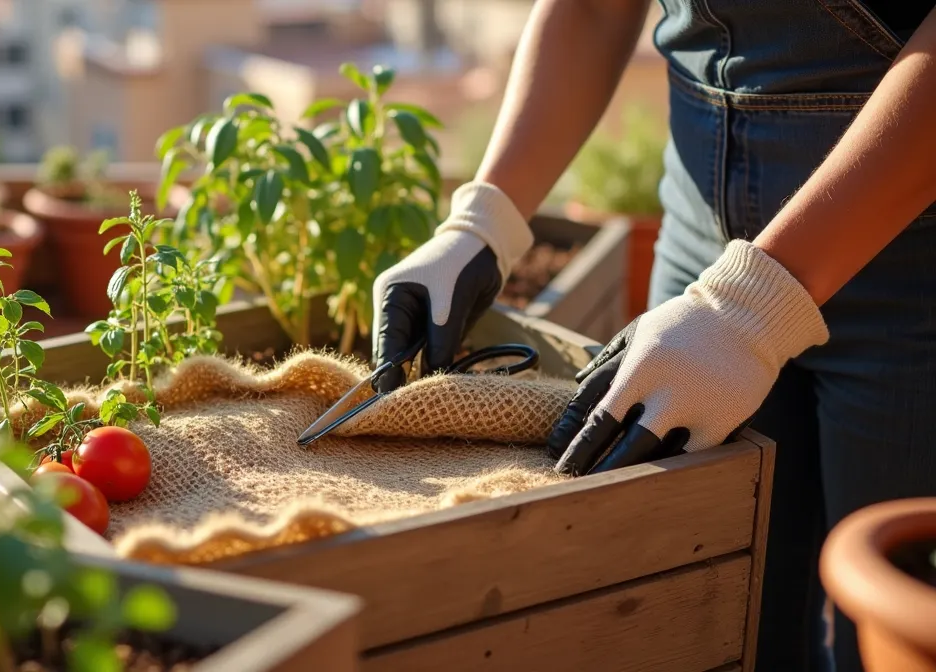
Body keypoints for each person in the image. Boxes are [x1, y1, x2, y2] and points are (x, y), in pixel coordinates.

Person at [370, 1, 936, 670]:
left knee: (894, 630)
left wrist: (751, 311)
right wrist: (483, 222)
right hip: (701, 263)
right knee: (705, 616)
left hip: (911, 261)